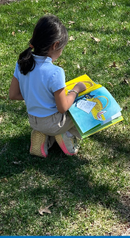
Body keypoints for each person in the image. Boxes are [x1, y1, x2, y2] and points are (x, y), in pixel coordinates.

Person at [8, 15, 86, 158]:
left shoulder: (21, 63)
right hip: (54, 123)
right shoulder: (55, 72)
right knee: (78, 108)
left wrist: (34, 95)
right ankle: (65, 136)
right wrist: (75, 90)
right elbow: (62, 107)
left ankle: (42, 137)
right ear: (55, 45)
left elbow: (13, 95)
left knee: (50, 121)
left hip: (34, 120)